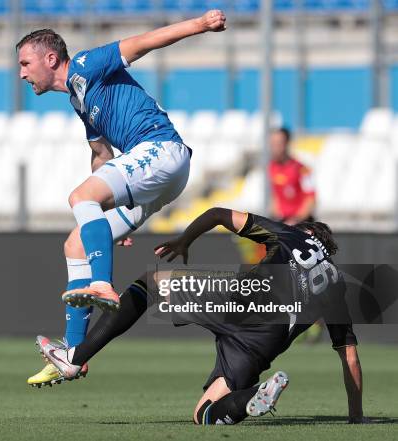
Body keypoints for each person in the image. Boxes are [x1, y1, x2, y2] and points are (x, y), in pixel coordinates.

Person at [18, 12, 227, 386]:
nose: (22, 73)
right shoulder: (79, 101)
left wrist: (200, 24)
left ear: (50, 59)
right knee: (78, 241)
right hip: (157, 174)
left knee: (80, 197)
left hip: (161, 149)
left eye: (25, 63)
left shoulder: (85, 65)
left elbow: (145, 42)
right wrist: (105, 212)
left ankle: (102, 284)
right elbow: (102, 158)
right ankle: (74, 355)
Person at [37, 208, 367, 425]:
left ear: (308, 233)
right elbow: (349, 357)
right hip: (266, 342)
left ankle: (75, 357)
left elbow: (219, 213)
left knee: (151, 284)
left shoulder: (292, 235)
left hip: (245, 300)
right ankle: (251, 397)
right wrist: (356, 417)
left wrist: (185, 240)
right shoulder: (336, 286)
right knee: (203, 414)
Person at [269, 127, 316, 224]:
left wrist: (296, 220)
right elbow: (275, 196)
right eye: (272, 144)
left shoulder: (302, 169)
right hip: (281, 222)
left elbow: (311, 198)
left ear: (287, 143)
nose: (275, 148)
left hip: (301, 223)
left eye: (279, 143)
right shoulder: (271, 167)